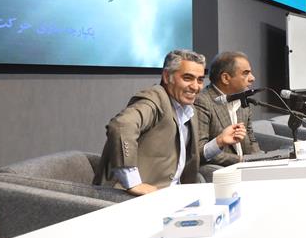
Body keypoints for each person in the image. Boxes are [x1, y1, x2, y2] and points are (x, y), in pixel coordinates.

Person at [97, 49, 239, 194]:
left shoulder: (189, 109)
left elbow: (188, 157)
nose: (195, 87)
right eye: (188, 78)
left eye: (200, 80)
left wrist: (219, 141)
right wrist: (133, 183)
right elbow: (121, 126)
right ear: (167, 76)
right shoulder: (155, 98)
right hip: (132, 198)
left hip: (174, 194)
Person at [193, 50, 260, 167]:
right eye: (246, 73)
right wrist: (241, 160)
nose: (252, 78)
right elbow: (199, 151)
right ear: (225, 78)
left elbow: (251, 140)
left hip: (247, 168)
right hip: (223, 170)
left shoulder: (243, 100)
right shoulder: (202, 102)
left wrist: (261, 160)